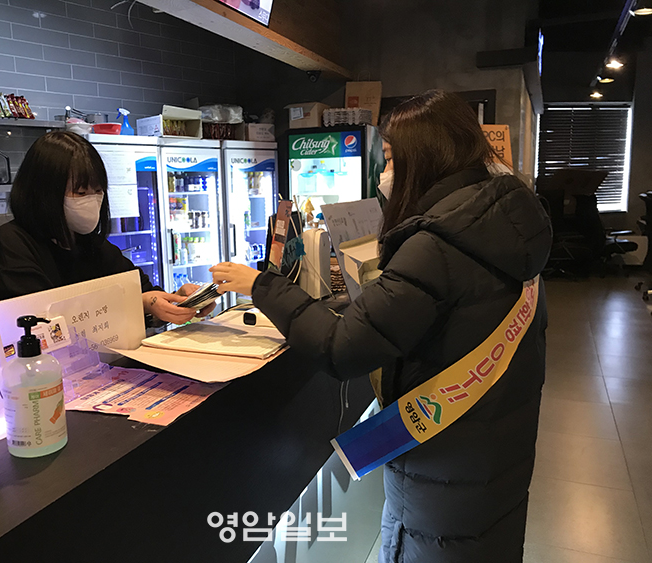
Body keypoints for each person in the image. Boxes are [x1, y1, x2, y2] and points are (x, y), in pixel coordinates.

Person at [210, 90, 552, 562]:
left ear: (422, 159)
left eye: (389, 158)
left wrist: (261, 285)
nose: (383, 173)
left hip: (444, 464)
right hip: (495, 447)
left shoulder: (437, 245)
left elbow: (342, 347)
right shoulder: (509, 221)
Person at [0, 131, 213, 325]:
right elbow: (44, 324)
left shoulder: (92, 245)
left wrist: (177, 301)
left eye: (98, 191)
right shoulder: (11, 244)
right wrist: (142, 302)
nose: (92, 200)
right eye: (81, 192)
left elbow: (142, 292)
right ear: (43, 194)